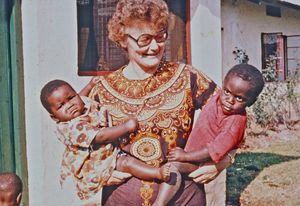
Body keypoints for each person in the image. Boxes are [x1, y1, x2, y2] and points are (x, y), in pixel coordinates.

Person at [88, 0, 235, 205]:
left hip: (184, 197)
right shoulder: (102, 90)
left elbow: (233, 118)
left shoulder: (188, 78)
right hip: (122, 199)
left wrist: (222, 161)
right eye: (144, 39)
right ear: (122, 39)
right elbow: (76, 139)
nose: (155, 46)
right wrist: (95, 170)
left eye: (160, 36)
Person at [40, 79, 171, 204]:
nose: (70, 105)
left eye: (71, 98)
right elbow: (101, 136)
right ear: (54, 117)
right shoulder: (72, 127)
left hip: (105, 151)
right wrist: (126, 127)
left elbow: (80, 96)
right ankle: (157, 173)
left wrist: (89, 86)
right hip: (95, 161)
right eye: (61, 105)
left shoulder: (80, 104)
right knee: (127, 163)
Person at [153, 64, 265, 205]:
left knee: (173, 167)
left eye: (239, 98)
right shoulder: (218, 96)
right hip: (190, 155)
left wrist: (185, 156)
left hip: (202, 164)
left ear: (251, 102)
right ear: (223, 86)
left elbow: (214, 151)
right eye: (227, 92)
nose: (230, 100)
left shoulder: (234, 122)